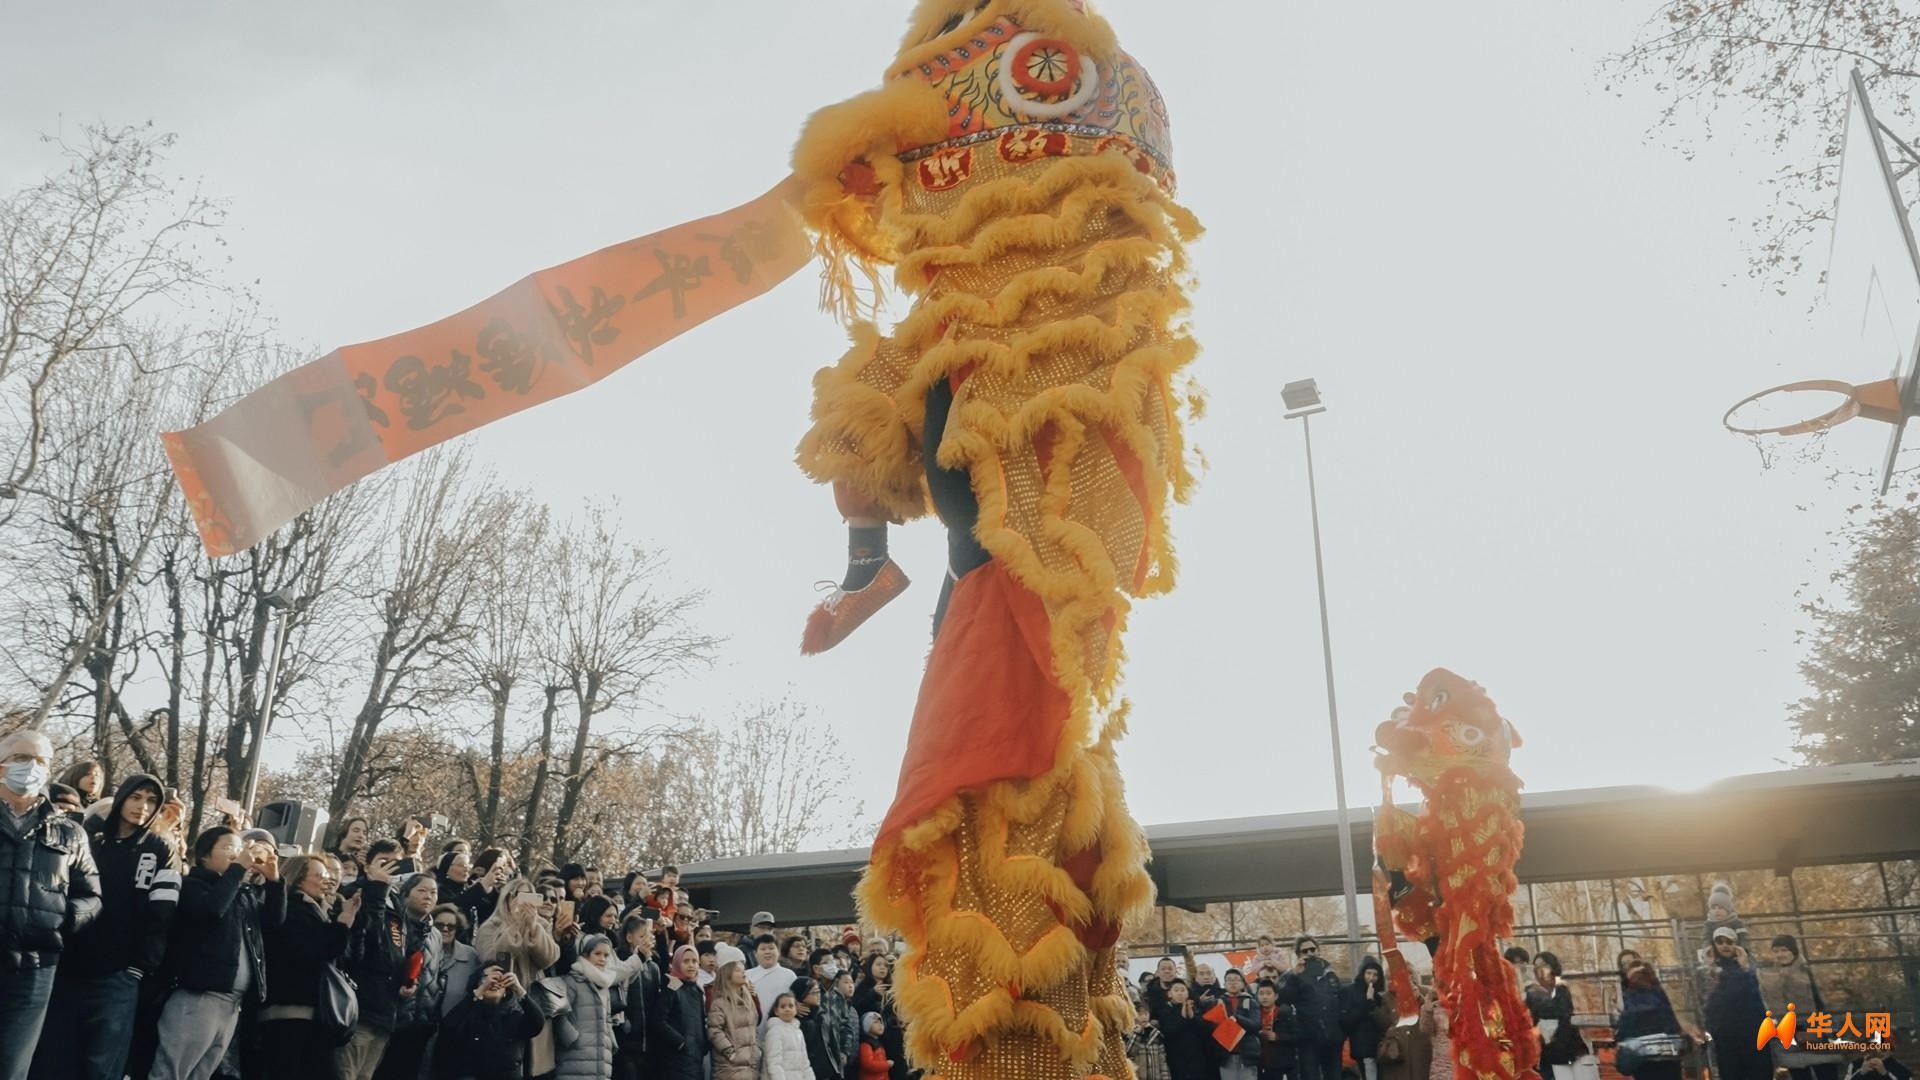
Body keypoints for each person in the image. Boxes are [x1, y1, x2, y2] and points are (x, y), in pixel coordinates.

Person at [30, 771, 177, 1080]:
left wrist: (139, 967)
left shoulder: (161, 850)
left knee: (103, 1065)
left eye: (152, 801)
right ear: (122, 797)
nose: (142, 807)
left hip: (118, 977)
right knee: (55, 1059)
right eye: (136, 797)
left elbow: (162, 916)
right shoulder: (89, 839)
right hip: (68, 968)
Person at [0, 731, 102, 1080]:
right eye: (22, 758)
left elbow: (92, 895)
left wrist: (63, 918)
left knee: (12, 1068)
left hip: (35, 969)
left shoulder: (68, 831)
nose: (31, 767)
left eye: (41, 761)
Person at [149, 824, 283, 1080]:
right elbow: (212, 910)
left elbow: (274, 924)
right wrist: (238, 869)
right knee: (171, 1071)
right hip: (198, 996)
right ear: (204, 856)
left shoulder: (241, 892)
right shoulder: (193, 885)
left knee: (202, 1074)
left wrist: (274, 883)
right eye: (229, 847)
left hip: (232, 1003)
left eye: (239, 848)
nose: (237, 853)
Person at [260, 852, 358, 1079]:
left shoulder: (321, 912)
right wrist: (341, 926)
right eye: (320, 875)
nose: (328, 880)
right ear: (299, 879)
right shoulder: (292, 909)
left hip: (315, 1015)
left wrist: (346, 921)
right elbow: (313, 951)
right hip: (290, 1014)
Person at [473, 877, 561, 1076]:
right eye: (519, 896)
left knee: (536, 1065)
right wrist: (513, 927)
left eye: (529, 896)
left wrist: (533, 927)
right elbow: (490, 959)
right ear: (507, 898)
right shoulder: (491, 926)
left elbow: (549, 958)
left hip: (532, 1001)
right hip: (503, 1004)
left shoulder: (541, 925)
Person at [373, 872, 448, 1080]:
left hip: (422, 1021)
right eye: (422, 890)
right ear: (406, 894)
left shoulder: (436, 934)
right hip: (393, 1016)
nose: (428, 896)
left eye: (433, 892)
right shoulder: (395, 925)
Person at [435, 962, 545, 1080]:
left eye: (500, 978)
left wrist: (519, 989)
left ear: (505, 991)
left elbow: (537, 1023)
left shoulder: (514, 1016)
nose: (493, 982)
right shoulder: (467, 1013)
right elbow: (448, 1027)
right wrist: (479, 991)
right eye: (487, 978)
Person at [555, 933, 640, 1080]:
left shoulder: (604, 985)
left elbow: (606, 1019)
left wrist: (610, 1042)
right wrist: (573, 1040)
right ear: (585, 955)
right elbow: (559, 1016)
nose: (602, 959)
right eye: (597, 954)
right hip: (575, 1059)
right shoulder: (572, 981)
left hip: (601, 1059)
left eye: (606, 955)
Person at [1702, 928, 1771, 1080]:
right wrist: (1709, 969)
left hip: (1753, 1033)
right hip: (1726, 1037)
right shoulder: (1710, 971)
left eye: (1729, 941)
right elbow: (1707, 1000)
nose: (1724, 945)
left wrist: (1745, 966)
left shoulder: (1750, 967)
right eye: (1719, 942)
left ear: (1736, 944)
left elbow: (1756, 993)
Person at [1282, 936, 1344, 1080]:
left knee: (1334, 1076)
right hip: (1308, 1039)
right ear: (1299, 955)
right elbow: (1283, 998)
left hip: (1332, 1038)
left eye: (1312, 949)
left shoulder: (1330, 973)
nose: (1310, 953)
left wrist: (1341, 1031)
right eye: (1305, 951)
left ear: (1318, 950)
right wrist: (1294, 975)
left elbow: (1340, 999)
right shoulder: (1295, 976)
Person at [1614, 961, 1687, 1080]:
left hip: (1642, 1058)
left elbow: (1625, 1027)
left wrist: (1620, 1038)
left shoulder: (1629, 998)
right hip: (1667, 1056)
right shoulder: (1659, 994)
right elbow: (1672, 1021)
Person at [614, 911, 664, 1080]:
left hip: (648, 1039)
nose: (647, 940)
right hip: (625, 1038)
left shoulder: (653, 967)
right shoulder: (619, 961)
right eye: (642, 936)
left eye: (649, 936)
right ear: (629, 937)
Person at [651, 944, 707, 1080]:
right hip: (675, 1058)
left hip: (695, 1057)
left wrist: (703, 1044)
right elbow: (658, 1021)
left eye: (694, 961)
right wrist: (680, 1042)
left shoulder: (698, 990)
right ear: (676, 962)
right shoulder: (672, 986)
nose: (691, 965)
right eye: (686, 961)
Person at [708, 954, 764, 1080]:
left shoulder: (748, 1000)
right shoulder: (719, 1003)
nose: (743, 973)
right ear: (727, 975)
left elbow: (754, 1027)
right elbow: (714, 1030)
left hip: (751, 1065)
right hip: (730, 1067)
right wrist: (730, 1052)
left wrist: (757, 1050)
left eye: (743, 970)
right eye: (738, 970)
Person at [1343, 957, 1398, 1080]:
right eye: (1368, 973)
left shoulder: (1378, 994)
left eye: (1375, 975)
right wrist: (1367, 1002)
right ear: (1362, 973)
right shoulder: (1350, 991)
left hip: (1378, 1047)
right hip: (1362, 1046)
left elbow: (1381, 1020)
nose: (1371, 977)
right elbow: (1347, 1020)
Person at [1155, 977, 1219, 1080]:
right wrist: (1183, 1018)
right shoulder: (1165, 1011)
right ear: (1169, 994)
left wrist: (1192, 1017)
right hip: (1177, 1060)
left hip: (1198, 1060)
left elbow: (1205, 1031)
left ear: (1187, 993)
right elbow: (1169, 1031)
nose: (1180, 993)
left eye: (1183, 990)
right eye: (1176, 990)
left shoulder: (1196, 1008)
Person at [1252, 978, 1299, 1080]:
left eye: (1268, 993)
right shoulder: (1254, 1014)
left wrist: (1277, 1037)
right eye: (1261, 993)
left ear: (1276, 996)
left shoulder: (1285, 1013)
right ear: (1257, 996)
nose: (1265, 997)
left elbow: (1297, 1037)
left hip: (1282, 1065)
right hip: (1260, 1064)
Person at [1221, 969, 1262, 1080]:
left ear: (1243, 983)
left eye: (1236, 980)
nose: (1232, 983)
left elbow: (1256, 1025)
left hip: (1246, 1055)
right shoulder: (1219, 1002)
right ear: (1224, 984)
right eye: (1229, 980)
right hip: (1226, 1056)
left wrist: (1238, 1019)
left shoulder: (1250, 1001)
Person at [762, 992, 813, 1080]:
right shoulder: (775, 1031)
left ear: (796, 1009)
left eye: (791, 1006)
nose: (787, 1009)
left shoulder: (798, 1032)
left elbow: (805, 1063)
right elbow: (774, 1063)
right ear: (776, 1011)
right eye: (783, 1006)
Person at [749, 933, 799, 1022]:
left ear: (778, 951)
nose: (767, 952)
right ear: (755, 953)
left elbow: (796, 1003)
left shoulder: (789, 975)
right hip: (752, 1026)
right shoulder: (747, 975)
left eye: (771, 948)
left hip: (781, 1027)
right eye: (763, 949)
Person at [1128, 998, 1172, 1080]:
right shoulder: (1129, 1033)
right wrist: (1137, 1033)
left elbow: (1162, 1061)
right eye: (1140, 1014)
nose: (1144, 1017)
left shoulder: (1155, 1034)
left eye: (1146, 1014)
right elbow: (1129, 1053)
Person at [859, 1012, 893, 1080]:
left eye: (881, 1022)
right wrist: (886, 1065)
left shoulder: (879, 1042)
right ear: (867, 1026)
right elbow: (868, 1065)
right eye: (875, 1022)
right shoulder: (866, 1045)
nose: (880, 1025)